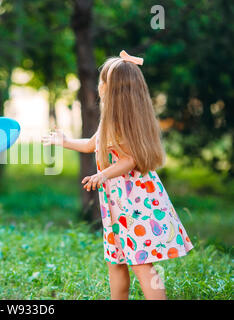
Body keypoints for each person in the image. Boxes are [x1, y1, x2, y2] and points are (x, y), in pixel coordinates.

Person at [42, 50, 193, 300]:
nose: (99, 85)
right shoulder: (110, 119)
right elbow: (93, 145)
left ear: (113, 90)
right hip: (117, 204)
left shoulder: (126, 122)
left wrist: (103, 175)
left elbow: (130, 159)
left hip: (135, 201)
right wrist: (65, 141)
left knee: (141, 263)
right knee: (116, 261)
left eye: (103, 81)